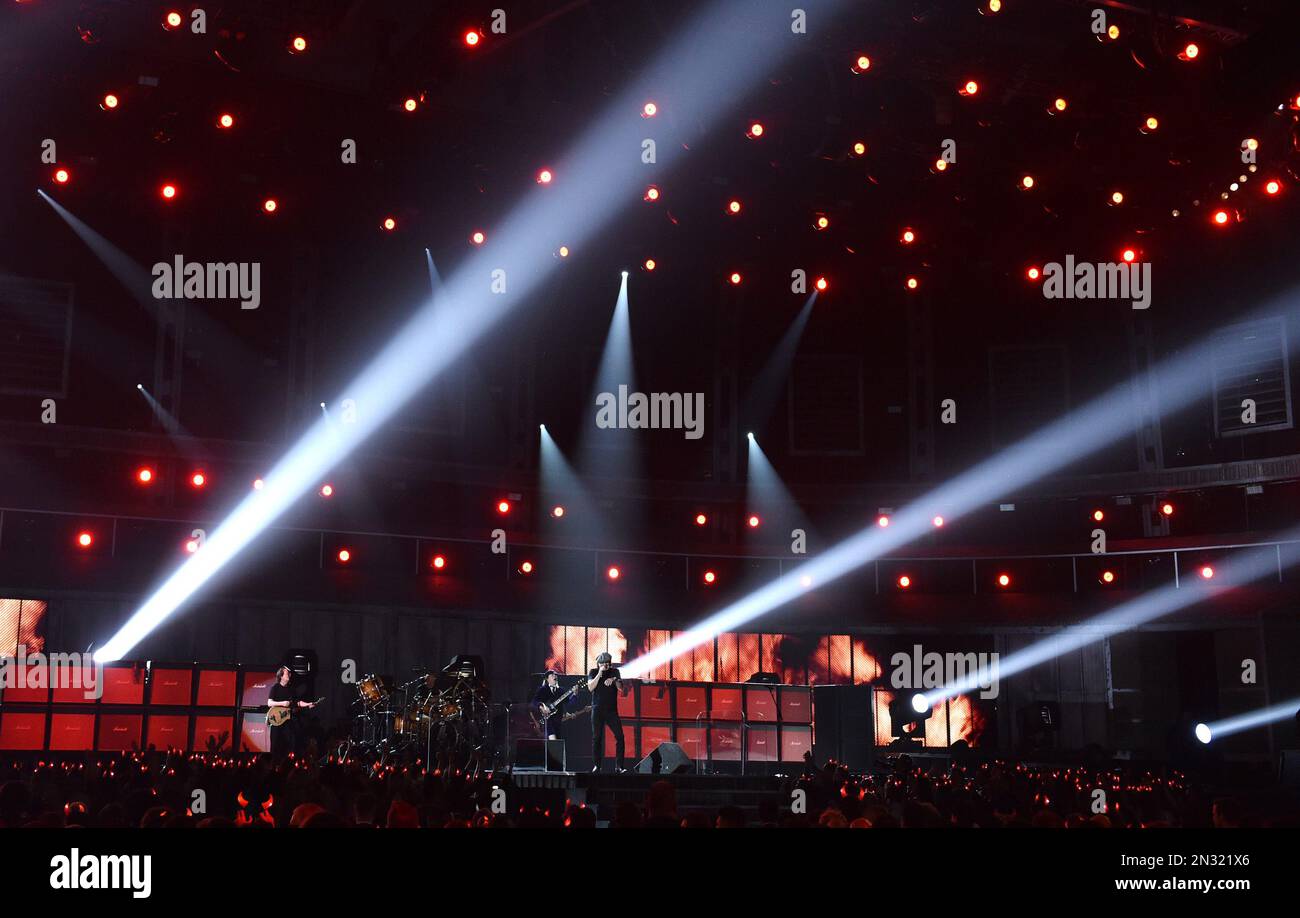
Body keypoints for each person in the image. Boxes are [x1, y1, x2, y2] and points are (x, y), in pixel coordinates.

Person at [586, 652, 625, 773]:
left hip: (611, 711)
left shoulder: (615, 672)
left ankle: (619, 766)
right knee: (596, 738)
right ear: (598, 664)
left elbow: (620, 688)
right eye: (602, 664)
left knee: (620, 736)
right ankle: (597, 766)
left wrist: (613, 679)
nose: (605, 666)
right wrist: (599, 674)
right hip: (597, 710)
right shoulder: (593, 671)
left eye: (607, 664)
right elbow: (590, 688)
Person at [267, 665, 316, 760]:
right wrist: (283, 703)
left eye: (289, 673)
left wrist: (308, 704)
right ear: (281, 676)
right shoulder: (275, 687)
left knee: (290, 742)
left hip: (288, 720)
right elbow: (269, 703)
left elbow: (298, 702)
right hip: (277, 721)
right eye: (287, 673)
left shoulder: (291, 689)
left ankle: (288, 762)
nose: (289, 674)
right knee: (275, 744)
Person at [531, 670, 567, 740]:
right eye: (552, 675)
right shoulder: (543, 689)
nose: (555, 676)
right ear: (547, 679)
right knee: (553, 740)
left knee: (558, 743)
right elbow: (534, 702)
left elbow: (569, 702)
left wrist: (574, 694)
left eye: (555, 675)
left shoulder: (561, 690)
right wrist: (541, 707)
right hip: (548, 721)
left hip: (558, 721)